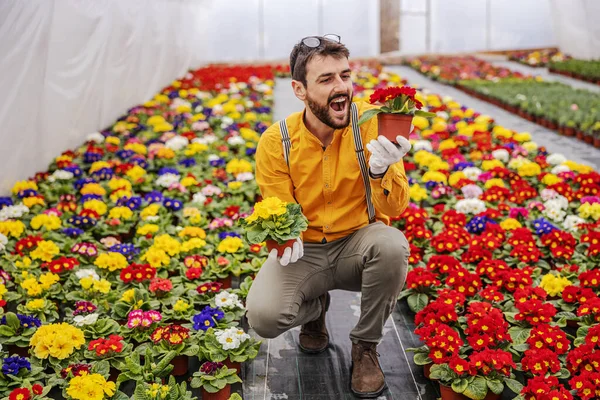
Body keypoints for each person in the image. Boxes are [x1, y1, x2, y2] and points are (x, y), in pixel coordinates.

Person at [246, 34, 411, 398]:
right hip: (306, 251)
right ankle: (316, 306)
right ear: (299, 90)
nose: (341, 88)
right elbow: (279, 214)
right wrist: (280, 237)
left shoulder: (371, 123)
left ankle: (365, 346)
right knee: (263, 317)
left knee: (392, 246)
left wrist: (383, 170)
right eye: (326, 79)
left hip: (358, 244)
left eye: (345, 76)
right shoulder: (277, 142)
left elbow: (394, 210)